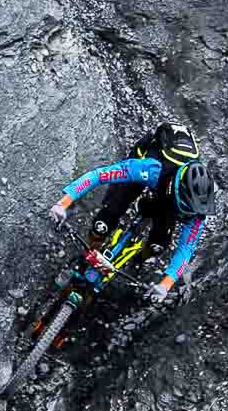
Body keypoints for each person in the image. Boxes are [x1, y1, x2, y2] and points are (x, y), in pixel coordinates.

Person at [49, 121, 216, 303]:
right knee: (103, 223)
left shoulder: (200, 205)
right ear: (179, 192)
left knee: (157, 245)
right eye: (187, 210)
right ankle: (86, 256)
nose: (190, 216)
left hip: (168, 199)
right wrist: (62, 204)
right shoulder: (151, 169)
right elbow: (99, 175)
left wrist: (165, 285)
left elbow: (186, 248)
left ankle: (138, 261)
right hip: (148, 172)